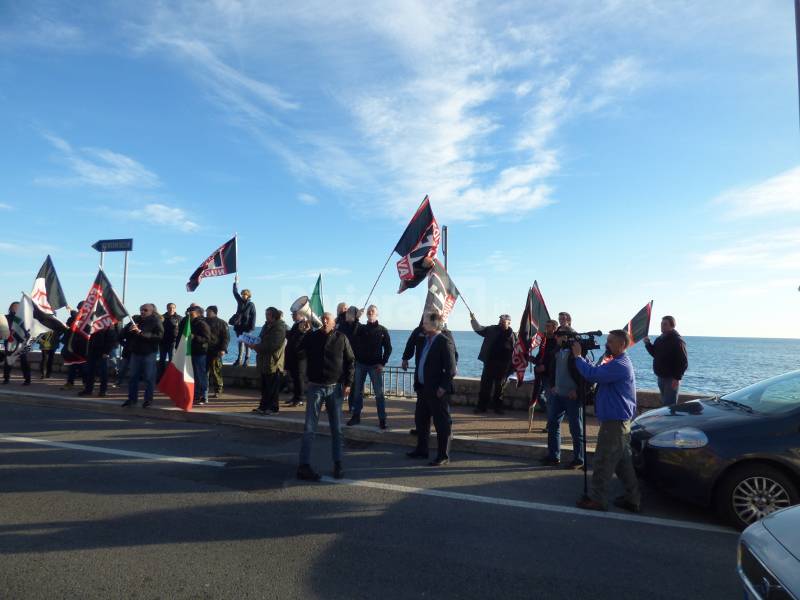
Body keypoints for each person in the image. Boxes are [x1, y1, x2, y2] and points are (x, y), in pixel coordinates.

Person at [572, 329, 641, 513]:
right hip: (618, 420)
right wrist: (584, 359)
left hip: (614, 422)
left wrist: (578, 357)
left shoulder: (620, 365)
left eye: (610, 342)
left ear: (622, 345)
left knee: (603, 460)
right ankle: (633, 499)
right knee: (623, 462)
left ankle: (597, 499)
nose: (606, 344)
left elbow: (593, 375)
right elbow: (597, 371)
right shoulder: (618, 362)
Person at [296, 312, 354, 482]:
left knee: (336, 429)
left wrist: (348, 383)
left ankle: (338, 463)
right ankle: (303, 466)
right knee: (309, 428)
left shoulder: (341, 338)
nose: (324, 320)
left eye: (328, 318)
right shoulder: (312, 336)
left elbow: (351, 361)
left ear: (334, 323)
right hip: (315, 387)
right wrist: (300, 332)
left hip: (334, 388)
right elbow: (296, 350)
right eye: (323, 318)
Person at [406, 312, 457, 466]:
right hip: (423, 389)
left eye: (426, 322)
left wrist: (443, 387)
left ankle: (443, 455)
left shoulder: (444, 341)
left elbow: (451, 369)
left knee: (442, 423)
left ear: (435, 324)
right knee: (421, 420)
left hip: (437, 391)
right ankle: (422, 450)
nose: (423, 324)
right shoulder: (426, 340)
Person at [540, 326, 585, 469]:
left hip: (572, 397)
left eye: (559, 334)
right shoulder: (557, 351)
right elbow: (552, 370)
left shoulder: (578, 353)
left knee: (576, 429)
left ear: (567, 336)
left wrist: (577, 391)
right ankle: (554, 456)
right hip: (558, 395)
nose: (556, 337)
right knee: (553, 424)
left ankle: (579, 459)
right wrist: (553, 385)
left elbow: (588, 375)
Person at [347, 304, 392, 429]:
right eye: (369, 311)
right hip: (360, 364)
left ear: (377, 314)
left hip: (375, 366)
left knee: (379, 394)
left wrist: (383, 363)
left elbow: (388, 348)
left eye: (373, 311)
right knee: (357, 392)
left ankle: (382, 419)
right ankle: (356, 417)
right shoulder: (361, 328)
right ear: (366, 314)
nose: (371, 312)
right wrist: (356, 319)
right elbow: (352, 334)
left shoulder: (382, 330)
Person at [470, 312, 517, 415]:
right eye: (500, 320)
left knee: (499, 388)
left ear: (509, 323)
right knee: (485, 386)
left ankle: (498, 407)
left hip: (504, 366)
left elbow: (517, 351)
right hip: (489, 363)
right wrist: (473, 320)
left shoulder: (513, 335)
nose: (501, 322)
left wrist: (513, 367)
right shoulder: (491, 329)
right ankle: (481, 407)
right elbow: (479, 329)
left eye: (504, 321)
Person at [121, 304, 164, 408]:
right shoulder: (135, 319)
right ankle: (132, 399)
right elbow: (122, 334)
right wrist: (129, 330)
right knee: (132, 377)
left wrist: (141, 333)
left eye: (145, 310)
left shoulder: (156, 321)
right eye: (141, 310)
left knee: (149, 378)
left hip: (149, 353)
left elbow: (159, 336)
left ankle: (148, 400)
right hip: (135, 352)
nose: (142, 312)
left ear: (152, 311)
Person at [250, 307, 287, 415]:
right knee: (264, 386)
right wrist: (252, 342)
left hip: (273, 362)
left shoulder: (279, 328)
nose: (266, 317)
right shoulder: (266, 326)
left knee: (272, 387)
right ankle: (263, 406)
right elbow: (261, 339)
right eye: (266, 314)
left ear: (274, 316)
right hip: (264, 360)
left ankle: (273, 408)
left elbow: (273, 345)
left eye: (268, 315)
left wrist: (256, 347)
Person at [644, 316, 688, 406]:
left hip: (671, 378)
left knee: (669, 406)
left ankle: (670, 420)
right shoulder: (660, 339)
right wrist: (648, 344)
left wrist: (677, 378)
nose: (662, 326)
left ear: (672, 326)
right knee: (665, 405)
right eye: (661, 324)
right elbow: (655, 354)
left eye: (665, 324)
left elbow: (683, 361)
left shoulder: (677, 340)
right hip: (661, 377)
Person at [530, 319, 559, 432]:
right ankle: (551, 416)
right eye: (546, 326)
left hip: (550, 375)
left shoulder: (557, 341)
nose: (546, 328)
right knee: (537, 396)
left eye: (549, 326)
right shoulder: (544, 339)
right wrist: (534, 360)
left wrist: (545, 367)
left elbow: (554, 357)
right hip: (540, 373)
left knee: (550, 400)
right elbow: (541, 355)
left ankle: (551, 424)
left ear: (554, 328)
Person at [78, 325, 116, 397]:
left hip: (102, 352)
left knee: (103, 373)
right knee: (90, 372)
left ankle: (103, 391)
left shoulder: (108, 324)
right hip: (93, 351)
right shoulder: (96, 324)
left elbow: (111, 339)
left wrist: (106, 352)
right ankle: (88, 390)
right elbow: (91, 338)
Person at [186, 306, 211, 406]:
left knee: (201, 375)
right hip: (192, 352)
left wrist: (195, 337)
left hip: (200, 352)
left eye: (191, 313)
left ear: (198, 313)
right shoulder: (190, 323)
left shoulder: (202, 323)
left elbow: (207, 338)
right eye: (188, 313)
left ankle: (204, 396)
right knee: (194, 375)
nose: (189, 314)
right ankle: (196, 395)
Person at [284, 312, 311, 407]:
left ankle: (300, 398)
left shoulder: (305, 324)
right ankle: (295, 397)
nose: (292, 316)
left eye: (295, 314)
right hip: (294, 356)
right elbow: (291, 337)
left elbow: (301, 339)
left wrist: (301, 331)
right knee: (295, 378)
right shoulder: (296, 324)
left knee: (300, 378)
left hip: (301, 357)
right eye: (292, 315)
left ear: (301, 315)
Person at [2, 302, 32, 385]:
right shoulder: (6, 318)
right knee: (8, 361)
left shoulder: (22, 319)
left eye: (17, 307)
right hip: (10, 342)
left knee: (24, 361)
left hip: (21, 343)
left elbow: (27, 332)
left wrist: (26, 336)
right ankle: (6, 378)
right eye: (14, 307)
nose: (15, 308)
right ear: (10, 308)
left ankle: (27, 379)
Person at [205, 305, 230, 399]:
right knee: (204, 372)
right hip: (205, 350)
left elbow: (226, 337)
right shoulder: (204, 321)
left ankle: (218, 390)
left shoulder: (222, 323)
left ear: (214, 312)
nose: (206, 313)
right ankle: (204, 389)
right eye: (206, 311)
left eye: (208, 311)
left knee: (216, 371)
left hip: (216, 351)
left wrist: (223, 349)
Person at [231, 281, 256, 366]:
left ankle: (247, 359)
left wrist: (251, 328)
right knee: (240, 343)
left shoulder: (251, 304)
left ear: (248, 295)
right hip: (239, 327)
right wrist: (235, 283)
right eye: (242, 294)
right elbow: (235, 293)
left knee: (247, 344)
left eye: (245, 294)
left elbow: (253, 316)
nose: (243, 296)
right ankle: (239, 359)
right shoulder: (240, 301)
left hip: (247, 327)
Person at [158, 303, 181, 378]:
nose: (171, 309)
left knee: (172, 361)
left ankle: (171, 377)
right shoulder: (162, 317)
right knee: (162, 360)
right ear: (167, 308)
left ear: (175, 308)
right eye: (169, 308)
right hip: (163, 342)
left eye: (173, 308)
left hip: (173, 342)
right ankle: (161, 377)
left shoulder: (179, 318)